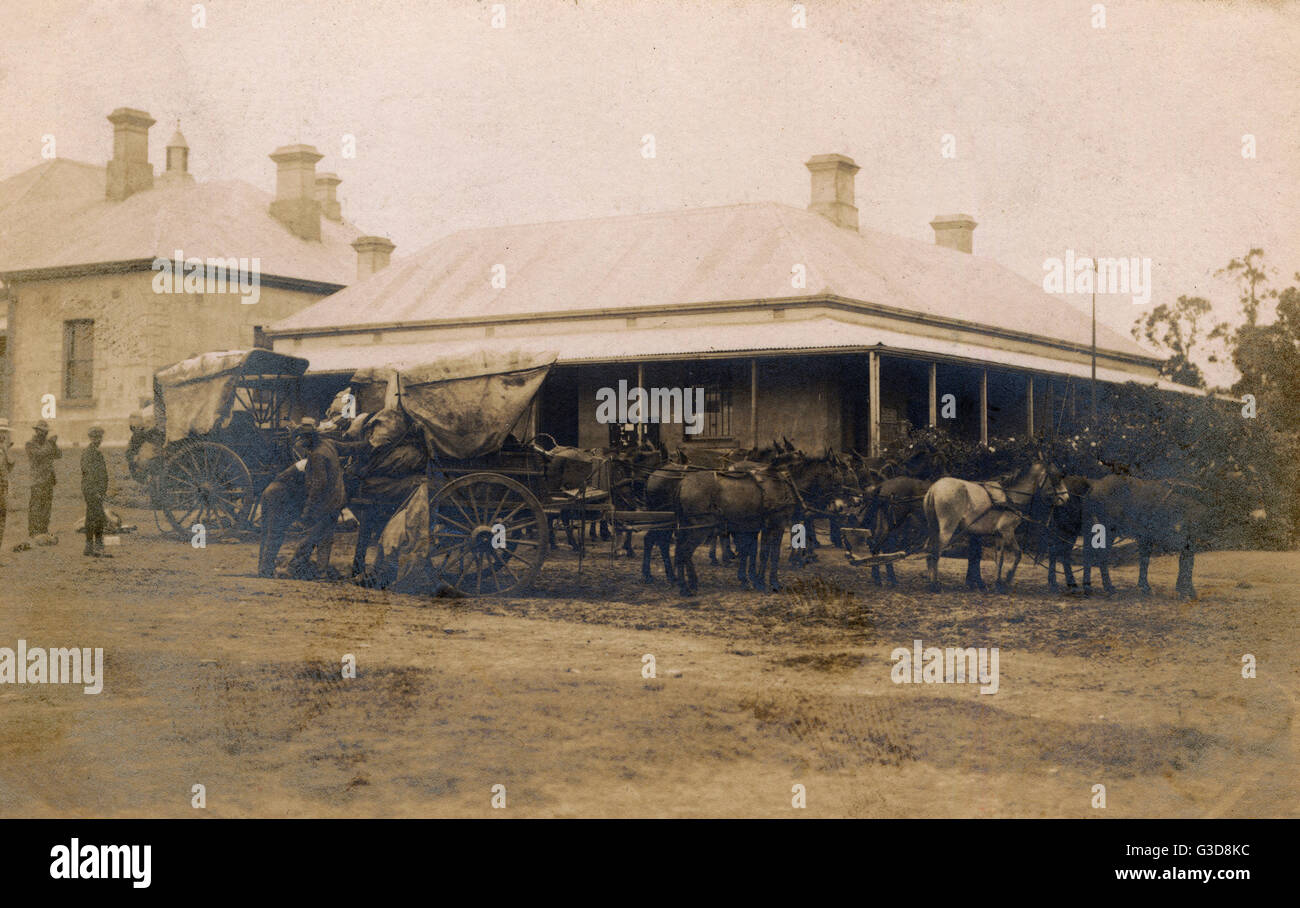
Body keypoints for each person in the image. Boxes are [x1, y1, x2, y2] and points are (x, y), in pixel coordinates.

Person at [287, 418, 347, 580]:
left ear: (309, 439)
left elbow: (318, 486)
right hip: (337, 499)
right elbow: (349, 448)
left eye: (302, 438)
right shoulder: (328, 444)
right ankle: (321, 572)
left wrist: (307, 511)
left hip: (325, 503)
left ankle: (294, 566)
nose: (300, 441)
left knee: (312, 536)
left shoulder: (317, 455)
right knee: (326, 537)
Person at [26, 420, 60, 536]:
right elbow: (39, 455)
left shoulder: (48, 443)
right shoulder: (30, 444)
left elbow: (58, 455)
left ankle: (43, 529)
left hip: (49, 479)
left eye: (45, 432)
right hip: (37, 480)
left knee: (47, 505)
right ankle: (33, 531)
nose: (44, 434)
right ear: (36, 431)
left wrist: (54, 444)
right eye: (41, 431)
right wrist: (50, 444)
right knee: (36, 505)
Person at [81, 426, 110, 557]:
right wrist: (96, 491)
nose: (99, 440)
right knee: (95, 517)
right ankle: (94, 544)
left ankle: (91, 545)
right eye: (96, 437)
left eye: (100, 437)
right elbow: (90, 474)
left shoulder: (95, 452)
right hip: (92, 490)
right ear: (92, 438)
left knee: (94, 516)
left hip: (96, 490)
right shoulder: (89, 453)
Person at [0, 419, 12, 552]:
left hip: (3, 489)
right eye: (0, 432)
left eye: (4, 433)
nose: (2, 435)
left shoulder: (4, 449)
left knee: (2, 520)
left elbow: (9, 468)